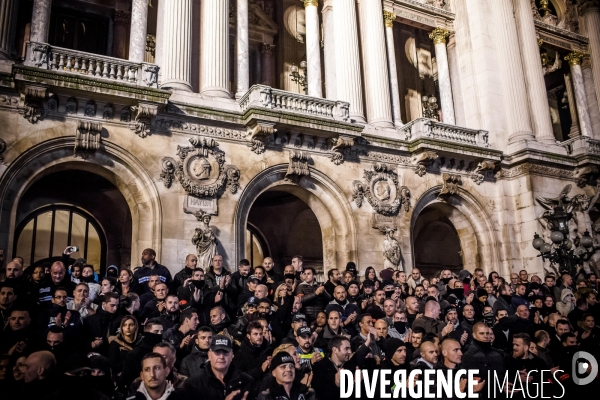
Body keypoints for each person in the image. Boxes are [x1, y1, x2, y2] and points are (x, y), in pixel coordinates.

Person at [182, 334, 253, 400]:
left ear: (232, 356)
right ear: (209, 355)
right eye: (217, 352)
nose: (221, 357)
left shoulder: (247, 381)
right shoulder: (193, 384)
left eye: (225, 352)